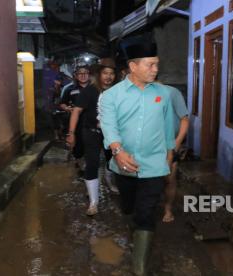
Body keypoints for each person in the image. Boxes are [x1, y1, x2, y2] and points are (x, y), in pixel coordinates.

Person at [99, 38, 175, 275]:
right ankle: (134, 228)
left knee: (146, 211)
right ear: (133, 66)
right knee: (129, 206)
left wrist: (169, 155)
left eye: (156, 65)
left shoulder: (164, 94)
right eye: (150, 65)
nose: (155, 69)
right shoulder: (112, 96)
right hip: (124, 165)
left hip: (154, 164)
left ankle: (139, 267)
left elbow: (168, 127)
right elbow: (109, 126)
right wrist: (118, 151)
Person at [66, 58, 117, 216]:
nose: (108, 77)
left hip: (112, 133)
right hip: (91, 132)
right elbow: (76, 111)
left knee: (112, 160)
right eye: (105, 73)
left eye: (112, 73)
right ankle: (94, 201)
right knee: (92, 163)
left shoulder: (118, 91)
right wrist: (71, 133)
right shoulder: (89, 91)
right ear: (99, 74)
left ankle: (110, 182)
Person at [162, 85, 189, 222]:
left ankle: (168, 209)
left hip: (169, 144)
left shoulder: (173, 92)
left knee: (169, 179)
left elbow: (184, 119)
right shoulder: (139, 93)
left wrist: (177, 143)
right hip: (148, 145)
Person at [60, 65, 91, 167]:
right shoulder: (69, 89)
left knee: (91, 144)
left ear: (89, 75)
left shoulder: (95, 88)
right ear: (76, 76)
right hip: (76, 122)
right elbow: (62, 103)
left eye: (85, 73)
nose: (83, 75)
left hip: (92, 121)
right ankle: (79, 162)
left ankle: (90, 164)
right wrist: (67, 108)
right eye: (80, 73)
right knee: (77, 144)